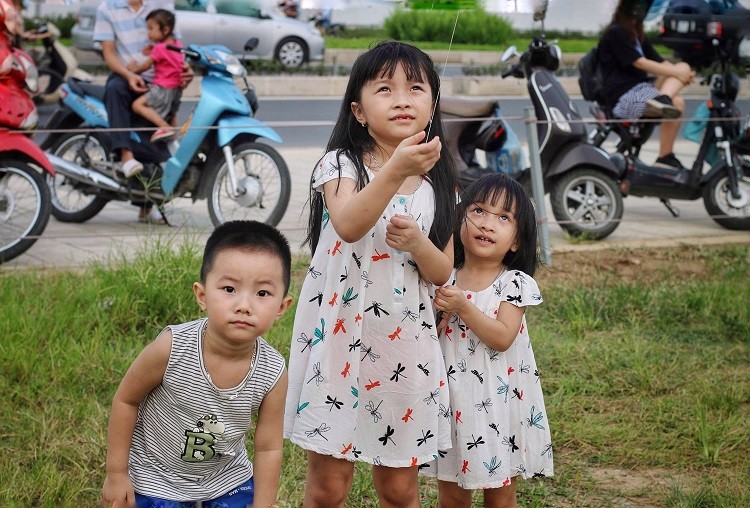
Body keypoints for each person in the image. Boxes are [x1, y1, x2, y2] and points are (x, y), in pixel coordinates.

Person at [284, 41, 458, 508]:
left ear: (433, 105)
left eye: (415, 87)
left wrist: (419, 243)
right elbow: (351, 222)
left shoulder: (440, 183)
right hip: (341, 338)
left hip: (405, 345)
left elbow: (443, 270)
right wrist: (395, 169)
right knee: (328, 487)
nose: (402, 98)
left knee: (399, 489)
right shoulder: (341, 164)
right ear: (359, 111)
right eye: (385, 89)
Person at [100, 220, 294, 508]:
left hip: (226, 478)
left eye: (262, 293)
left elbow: (268, 448)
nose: (244, 305)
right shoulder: (172, 347)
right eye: (229, 288)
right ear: (202, 295)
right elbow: (127, 400)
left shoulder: (272, 372)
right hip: (156, 475)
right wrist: (116, 473)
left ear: (281, 307)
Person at [422, 173, 553, 507]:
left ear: (516, 241)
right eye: (478, 210)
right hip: (452, 402)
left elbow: (502, 337)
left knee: (500, 492)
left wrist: (463, 307)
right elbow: (428, 336)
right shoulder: (443, 276)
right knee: (451, 491)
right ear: (459, 219)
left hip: (498, 404)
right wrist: (440, 314)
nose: (487, 224)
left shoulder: (514, 283)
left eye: (503, 218)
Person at [93, 0, 191, 223]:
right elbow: (109, 54)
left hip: (158, 82)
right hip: (126, 76)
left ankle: (146, 204)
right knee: (115, 88)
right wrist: (129, 75)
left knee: (155, 146)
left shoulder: (163, 4)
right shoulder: (107, 8)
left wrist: (186, 70)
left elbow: (175, 45)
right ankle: (125, 156)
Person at [598, 0, 696, 170]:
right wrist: (677, 74)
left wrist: (684, 74)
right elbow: (640, 63)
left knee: (679, 94)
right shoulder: (615, 32)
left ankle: (665, 156)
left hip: (643, 91)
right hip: (623, 98)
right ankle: (662, 100)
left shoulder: (637, 36)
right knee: (677, 80)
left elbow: (660, 62)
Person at [127, 9, 183, 143]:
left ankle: (164, 127)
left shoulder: (159, 49)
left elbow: (145, 66)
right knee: (172, 113)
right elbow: (169, 57)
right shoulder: (176, 45)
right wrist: (153, 49)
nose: (149, 33)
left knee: (137, 105)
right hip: (176, 90)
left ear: (165, 30)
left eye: (151, 28)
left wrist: (133, 70)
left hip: (162, 88)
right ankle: (175, 139)